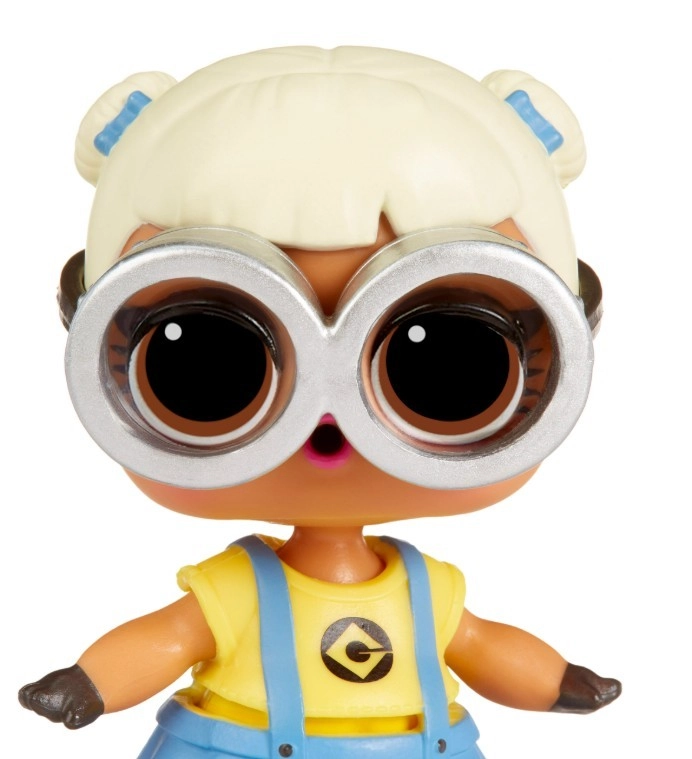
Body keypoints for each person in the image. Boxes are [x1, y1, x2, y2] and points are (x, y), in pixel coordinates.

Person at [19, 47, 620, 758]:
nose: (327, 427)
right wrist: (90, 683)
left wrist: (557, 682)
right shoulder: (239, 588)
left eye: (449, 363)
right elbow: (169, 638)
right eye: (207, 363)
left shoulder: (429, 592)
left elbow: (482, 646)